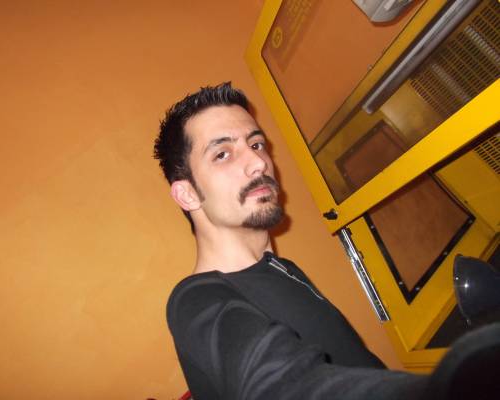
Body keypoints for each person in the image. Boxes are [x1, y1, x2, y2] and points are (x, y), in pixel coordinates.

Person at [154, 82, 500, 399]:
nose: (258, 162)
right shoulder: (195, 299)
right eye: (222, 154)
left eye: (256, 144)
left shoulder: (281, 268)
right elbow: (281, 385)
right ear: (187, 194)